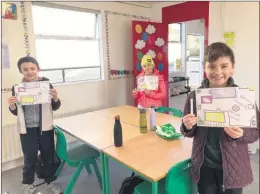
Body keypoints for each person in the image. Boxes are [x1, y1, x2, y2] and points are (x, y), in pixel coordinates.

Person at [181, 42, 259, 194]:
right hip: (205, 165)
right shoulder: (194, 96)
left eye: (224, 66)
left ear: (232, 67)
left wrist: (241, 134)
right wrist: (187, 126)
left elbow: (256, 131)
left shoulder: (243, 97)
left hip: (233, 166)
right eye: (212, 66)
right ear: (204, 67)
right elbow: (188, 131)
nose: (218, 71)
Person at [7, 56, 63, 194]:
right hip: (27, 129)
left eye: (32, 68)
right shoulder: (17, 88)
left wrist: (55, 98)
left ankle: (51, 181)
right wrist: (12, 105)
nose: (29, 71)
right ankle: (27, 183)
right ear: (21, 71)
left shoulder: (46, 85)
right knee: (29, 157)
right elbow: (15, 112)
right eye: (25, 69)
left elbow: (55, 106)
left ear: (37, 69)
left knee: (48, 155)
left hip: (45, 127)